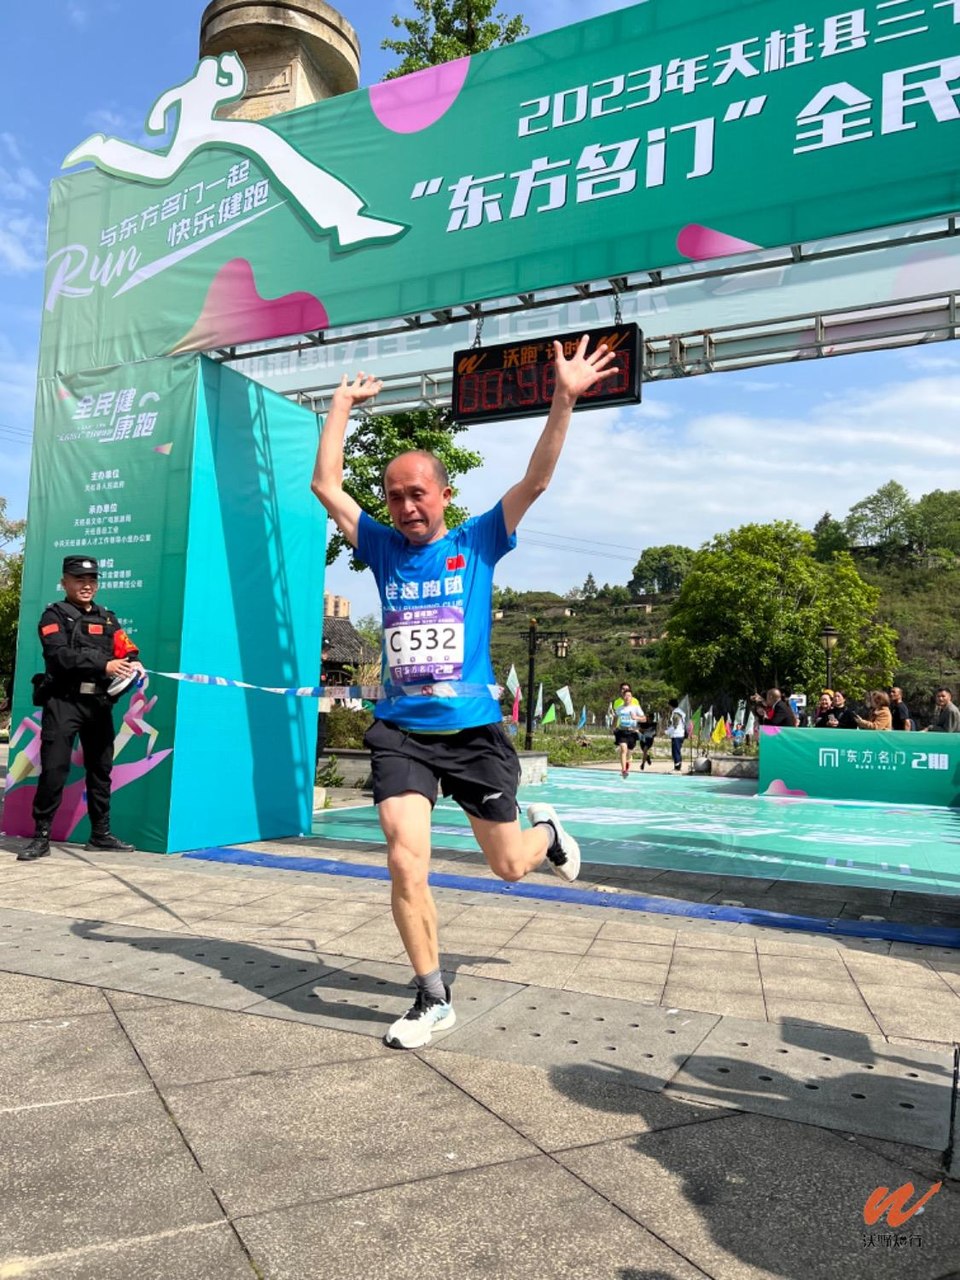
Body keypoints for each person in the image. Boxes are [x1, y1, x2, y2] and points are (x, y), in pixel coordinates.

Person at [311, 336, 617, 1049]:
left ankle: (548, 834)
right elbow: (326, 485)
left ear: (444, 495)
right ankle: (431, 997)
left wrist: (563, 398)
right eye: (394, 496)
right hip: (402, 732)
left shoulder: (477, 542)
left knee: (509, 866)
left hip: (472, 732)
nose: (405, 506)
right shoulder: (382, 548)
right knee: (403, 855)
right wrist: (341, 405)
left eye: (417, 493)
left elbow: (536, 480)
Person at [17, 556, 143, 862]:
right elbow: (59, 656)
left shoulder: (107, 618)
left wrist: (133, 663)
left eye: (92, 580)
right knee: (55, 769)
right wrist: (104, 664)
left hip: (98, 704)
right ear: (64, 583)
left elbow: (125, 649)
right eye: (79, 580)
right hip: (64, 702)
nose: (87, 586)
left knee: (101, 769)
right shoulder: (54, 615)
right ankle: (41, 837)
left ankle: (100, 834)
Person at [612, 687, 643, 778]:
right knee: (623, 749)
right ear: (623, 697)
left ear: (631, 697)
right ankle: (623, 770)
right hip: (622, 731)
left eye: (629, 696)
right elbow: (615, 718)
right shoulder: (619, 709)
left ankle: (627, 765)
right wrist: (613, 727)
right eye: (625, 695)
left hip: (632, 732)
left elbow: (644, 718)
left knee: (629, 752)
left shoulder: (636, 708)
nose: (627, 697)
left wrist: (636, 720)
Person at [665, 698, 686, 771]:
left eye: (669, 705)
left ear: (671, 705)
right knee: (677, 751)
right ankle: (677, 766)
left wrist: (666, 732)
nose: (668, 707)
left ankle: (677, 768)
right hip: (679, 734)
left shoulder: (676, 713)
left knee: (675, 751)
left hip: (677, 735)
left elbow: (675, 726)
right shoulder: (679, 712)